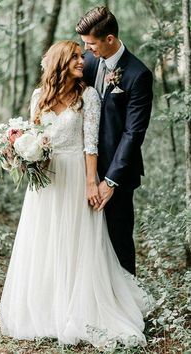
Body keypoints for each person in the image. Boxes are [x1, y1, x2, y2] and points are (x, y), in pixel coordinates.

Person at [0, 40, 152, 349]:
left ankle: (77, 305)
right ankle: (46, 307)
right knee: (45, 241)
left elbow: (90, 144)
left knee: (76, 241)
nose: (83, 61)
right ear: (60, 63)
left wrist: (91, 181)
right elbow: (35, 134)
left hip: (75, 176)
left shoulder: (88, 96)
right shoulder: (38, 96)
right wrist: (22, 154)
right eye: (76, 57)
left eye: (83, 55)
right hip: (45, 182)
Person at [76, 6, 153, 275]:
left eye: (91, 44)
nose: (87, 50)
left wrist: (110, 181)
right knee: (85, 239)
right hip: (81, 166)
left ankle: (127, 305)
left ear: (109, 39)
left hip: (116, 172)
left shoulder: (138, 74)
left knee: (118, 239)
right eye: (84, 44)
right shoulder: (86, 63)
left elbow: (134, 134)